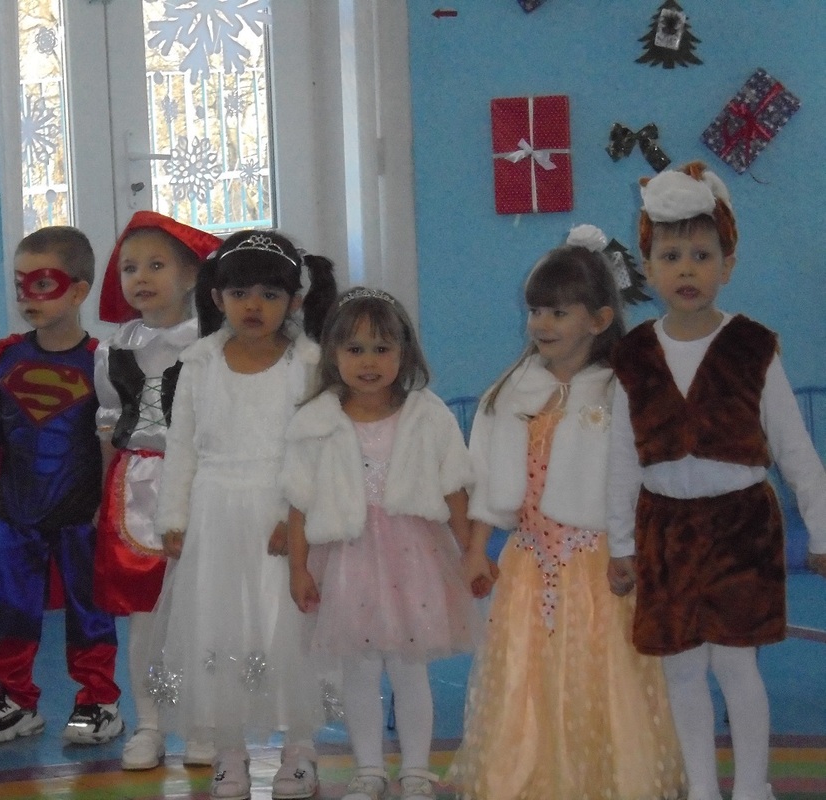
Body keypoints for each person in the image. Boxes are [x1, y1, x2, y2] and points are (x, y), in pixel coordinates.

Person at [608, 162, 826, 800]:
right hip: (665, 531)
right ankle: (703, 789)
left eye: (702, 256)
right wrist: (620, 543)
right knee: (682, 669)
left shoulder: (754, 347)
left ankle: (752, 787)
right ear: (649, 269)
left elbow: (796, 450)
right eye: (670, 256)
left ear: (728, 265)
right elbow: (621, 459)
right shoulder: (634, 355)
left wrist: (821, 529)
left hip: (741, 530)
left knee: (736, 665)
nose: (687, 270)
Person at [449, 226, 687, 800]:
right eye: (536, 311)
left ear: (599, 319)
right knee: (526, 672)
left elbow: (644, 482)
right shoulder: (511, 393)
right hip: (528, 565)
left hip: (599, 567)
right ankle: (526, 778)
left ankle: (606, 782)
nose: (541, 324)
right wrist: (477, 550)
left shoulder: (619, 390)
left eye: (558, 312)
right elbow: (488, 482)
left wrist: (642, 552)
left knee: (600, 671)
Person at [148, 229, 337, 800]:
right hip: (213, 515)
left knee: (288, 628)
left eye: (269, 294)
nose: (254, 305)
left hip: (281, 518)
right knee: (218, 627)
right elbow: (182, 445)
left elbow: (313, 448)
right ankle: (229, 752)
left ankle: (299, 750)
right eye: (240, 293)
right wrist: (174, 517)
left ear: (295, 301)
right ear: (217, 297)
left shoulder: (308, 363)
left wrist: (292, 517)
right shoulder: (200, 363)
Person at [282, 287, 484, 800]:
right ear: (332, 354)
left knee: (409, 668)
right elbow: (298, 503)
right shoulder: (316, 420)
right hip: (347, 560)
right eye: (355, 349)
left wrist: (472, 553)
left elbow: (454, 490)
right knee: (359, 668)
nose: (369, 362)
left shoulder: (427, 414)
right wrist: (298, 569)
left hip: (414, 558)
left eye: (382, 348)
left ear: (404, 352)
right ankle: (368, 768)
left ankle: (415, 769)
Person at [0, 226, 123, 746]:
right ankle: (14, 698)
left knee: (89, 609)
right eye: (20, 284)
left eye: (42, 283)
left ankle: (98, 699)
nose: (28, 296)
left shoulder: (101, 362)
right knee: (12, 606)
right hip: (19, 511)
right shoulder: (7, 358)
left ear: (78, 291)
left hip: (81, 513)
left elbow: (117, 440)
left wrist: (108, 502)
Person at [92, 211, 221, 769]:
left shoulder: (213, 346)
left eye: (156, 265)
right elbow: (107, 425)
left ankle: (203, 723)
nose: (140, 277)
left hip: (199, 485)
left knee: (202, 609)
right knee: (145, 617)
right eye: (129, 268)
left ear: (192, 275)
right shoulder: (112, 349)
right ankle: (150, 723)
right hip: (136, 489)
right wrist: (101, 497)